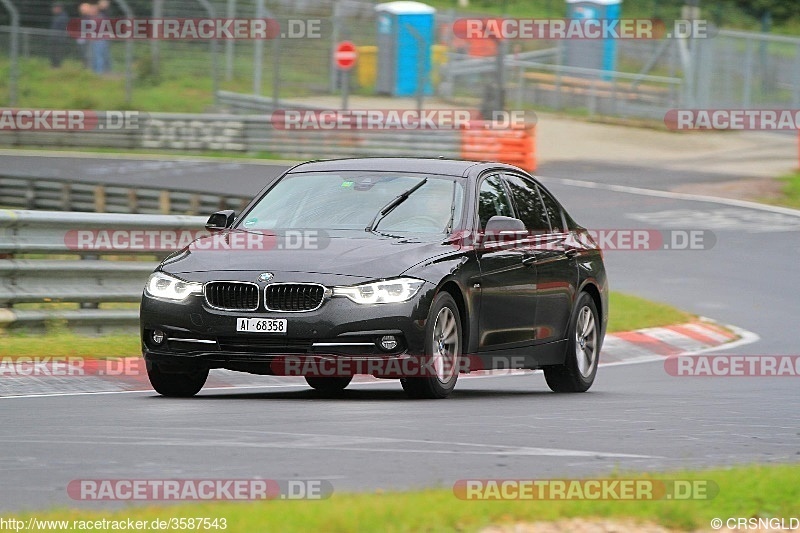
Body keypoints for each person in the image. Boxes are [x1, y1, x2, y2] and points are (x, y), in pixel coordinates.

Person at [49, 2, 69, 68]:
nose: (53, 10)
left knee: (57, 53)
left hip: (59, 39)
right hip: (55, 38)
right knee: (54, 52)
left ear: (58, 8)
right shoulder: (58, 16)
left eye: (54, 8)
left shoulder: (63, 17)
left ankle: (57, 66)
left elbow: (62, 29)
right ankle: (54, 65)